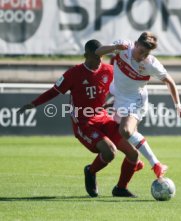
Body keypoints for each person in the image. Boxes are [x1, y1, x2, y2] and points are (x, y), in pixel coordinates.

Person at [17, 39, 145, 198]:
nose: (98, 60)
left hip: (104, 119)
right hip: (84, 124)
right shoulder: (73, 73)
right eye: (95, 56)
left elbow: (125, 89)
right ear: (86, 55)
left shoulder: (109, 70)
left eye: (101, 56)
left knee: (133, 154)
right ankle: (90, 171)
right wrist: (33, 104)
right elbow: (53, 91)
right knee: (110, 152)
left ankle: (120, 188)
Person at [95, 32, 181, 176]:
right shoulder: (122, 47)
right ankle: (136, 161)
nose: (142, 56)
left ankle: (156, 164)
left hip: (135, 100)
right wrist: (114, 47)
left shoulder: (151, 64)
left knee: (125, 131)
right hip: (118, 96)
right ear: (136, 44)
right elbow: (98, 52)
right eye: (141, 52)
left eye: (146, 53)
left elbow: (169, 81)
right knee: (121, 133)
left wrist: (178, 105)